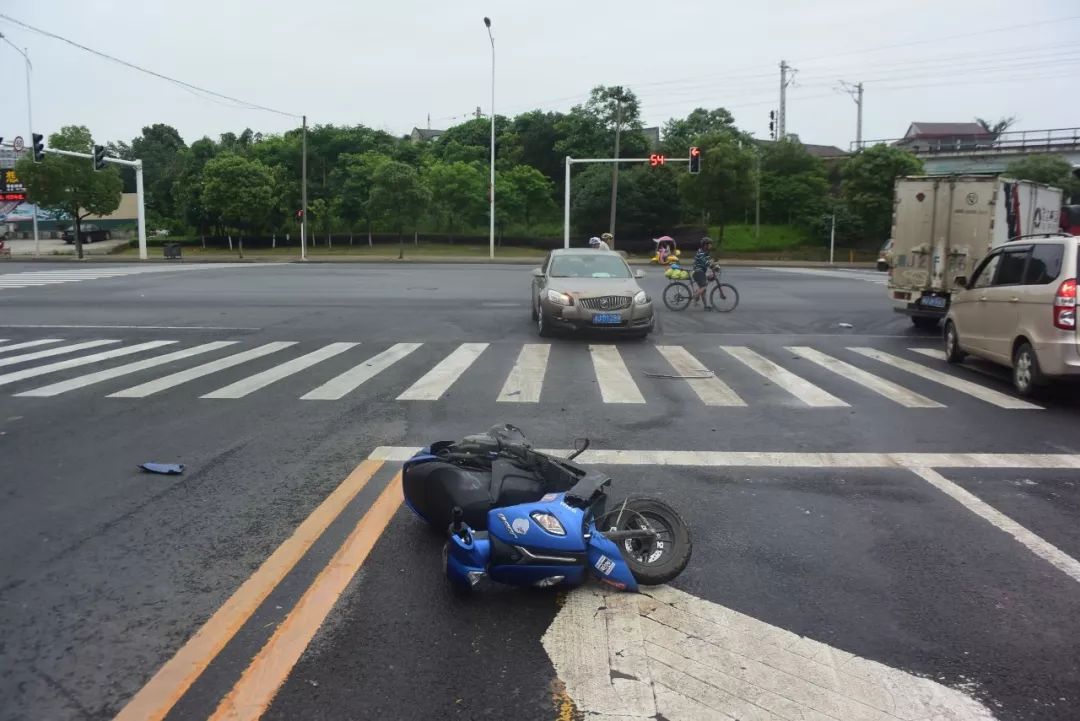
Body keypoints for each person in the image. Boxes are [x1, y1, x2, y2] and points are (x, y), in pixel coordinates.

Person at [692, 237, 714, 309]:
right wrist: (711, 266)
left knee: (703, 289)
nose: (711, 246)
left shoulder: (706, 253)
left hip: (701, 272)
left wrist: (715, 265)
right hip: (698, 272)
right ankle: (695, 296)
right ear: (705, 245)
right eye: (710, 244)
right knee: (704, 287)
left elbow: (709, 262)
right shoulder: (701, 252)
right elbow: (705, 262)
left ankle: (705, 306)